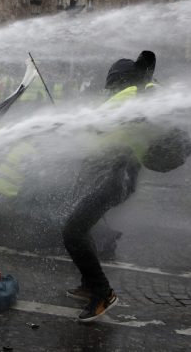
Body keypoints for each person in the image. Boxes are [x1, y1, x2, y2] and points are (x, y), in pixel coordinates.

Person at [64, 50, 191, 322]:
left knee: (73, 231)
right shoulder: (143, 98)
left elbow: (94, 124)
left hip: (116, 178)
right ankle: (89, 285)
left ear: (120, 81)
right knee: (82, 226)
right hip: (119, 178)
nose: (108, 91)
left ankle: (102, 293)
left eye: (111, 86)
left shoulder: (131, 95)